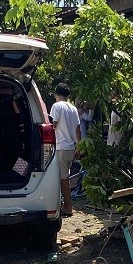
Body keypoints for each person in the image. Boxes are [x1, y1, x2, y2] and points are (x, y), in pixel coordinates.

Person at [49, 83, 81, 217]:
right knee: (64, 178)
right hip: (71, 148)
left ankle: (68, 207)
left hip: (60, 147)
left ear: (56, 94)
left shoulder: (56, 106)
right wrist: (79, 147)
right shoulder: (73, 108)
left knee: (62, 179)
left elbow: (52, 126)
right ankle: (63, 204)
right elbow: (78, 129)